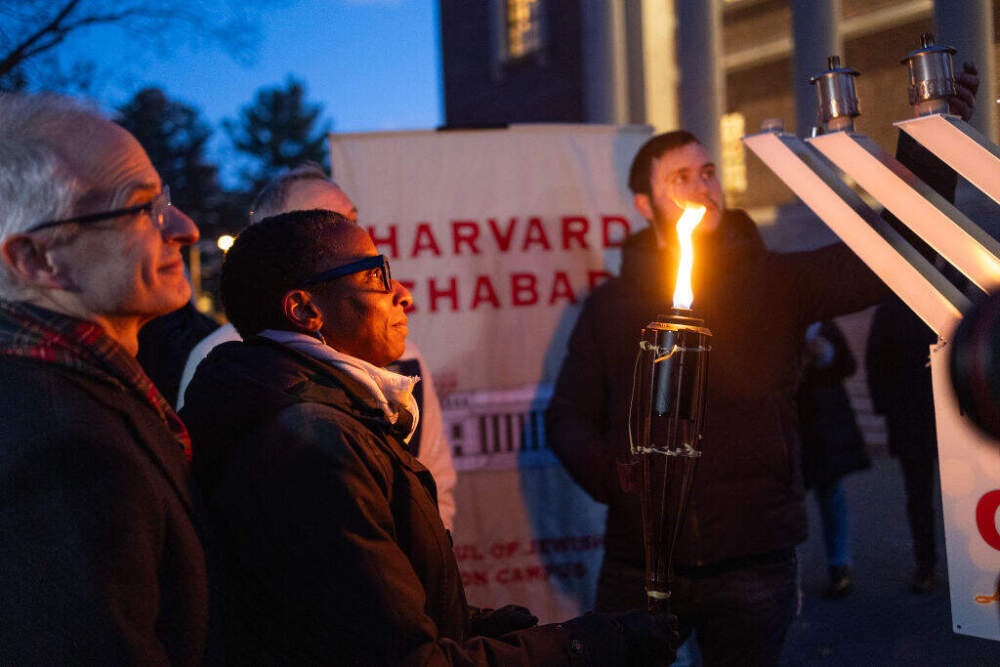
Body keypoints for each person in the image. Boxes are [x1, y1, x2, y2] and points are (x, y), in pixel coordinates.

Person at [545, 69, 974, 665]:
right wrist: (615, 476)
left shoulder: (773, 280)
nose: (703, 188)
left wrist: (933, 142)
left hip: (754, 560)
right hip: (639, 560)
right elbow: (566, 416)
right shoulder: (611, 306)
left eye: (708, 172)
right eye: (680, 179)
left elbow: (891, 256)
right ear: (644, 204)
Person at [179, 209, 674, 665]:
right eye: (376, 275)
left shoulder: (325, 413)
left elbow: (347, 617)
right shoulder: (314, 444)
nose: (404, 295)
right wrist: (583, 646)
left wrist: (466, 624)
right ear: (305, 310)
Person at [0, 94, 215, 664]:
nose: (186, 228)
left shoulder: (82, 394)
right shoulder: (55, 447)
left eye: (164, 198)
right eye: (141, 208)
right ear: (37, 260)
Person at [177, 164, 457, 529]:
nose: (344, 234)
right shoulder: (221, 363)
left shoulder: (402, 356)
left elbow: (436, 481)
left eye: (349, 220)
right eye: (317, 221)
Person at [865, 297, 940, 593]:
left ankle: (926, 567)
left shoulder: (890, 309)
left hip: (910, 419)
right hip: (935, 414)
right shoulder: (942, 299)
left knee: (919, 497)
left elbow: (875, 363)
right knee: (946, 495)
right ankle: (936, 565)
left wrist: (888, 408)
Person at [797, 320, 869, 599]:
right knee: (803, 500)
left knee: (831, 497)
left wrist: (827, 355)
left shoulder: (824, 327)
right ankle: (798, 568)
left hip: (823, 430)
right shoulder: (791, 327)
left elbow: (848, 365)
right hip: (801, 427)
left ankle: (839, 565)